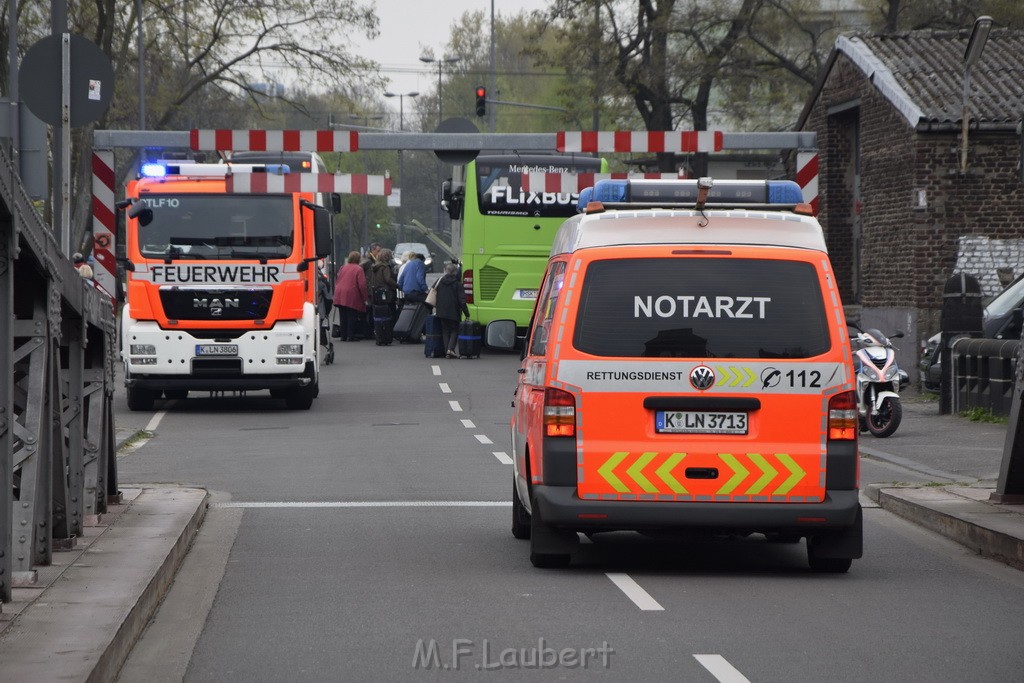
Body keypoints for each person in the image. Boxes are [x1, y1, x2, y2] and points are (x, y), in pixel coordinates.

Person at [432, 262, 470, 359]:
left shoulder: (439, 281)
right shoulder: (458, 284)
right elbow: (462, 301)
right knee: (454, 330)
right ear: (455, 272)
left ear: (446, 271)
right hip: (454, 311)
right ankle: (451, 350)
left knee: (445, 330)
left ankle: (446, 351)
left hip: (441, 310)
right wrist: (467, 313)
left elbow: (432, 291)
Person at [333, 251, 368, 341]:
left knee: (343, 315)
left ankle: (343, 335)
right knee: (352, 315)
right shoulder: (358, 269)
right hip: (351, 293)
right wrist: (365, 297)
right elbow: (362, 285)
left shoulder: (343, 267)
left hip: (340, 292)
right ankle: (350, 335)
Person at [367, 247, 399, 314]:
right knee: (390, 312)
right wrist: (397, 285)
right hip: (386, 294)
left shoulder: (375, 266)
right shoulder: (385, 267)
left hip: (377, 293)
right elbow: (388, 279)